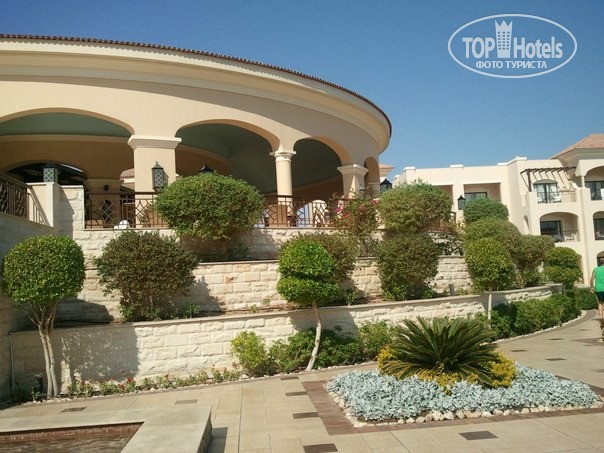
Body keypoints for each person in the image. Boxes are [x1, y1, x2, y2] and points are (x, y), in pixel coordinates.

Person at [589, 258, 604, 328]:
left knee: (600, 303)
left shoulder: (596, 270)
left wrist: (591, 287)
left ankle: (601, 318)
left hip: (598, 289)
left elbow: (591, 280)